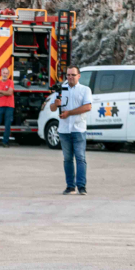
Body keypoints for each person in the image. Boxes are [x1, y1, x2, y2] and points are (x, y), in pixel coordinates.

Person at [49, 65, 93, 195]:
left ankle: (81, 186)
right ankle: (70, 186)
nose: (70, 77)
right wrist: (55, 104)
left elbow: (88, 107)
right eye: (68, 75)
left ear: (79, 76)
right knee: (67, 159)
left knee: (80, 158)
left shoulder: (85, 90)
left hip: (78, 128)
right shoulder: (61, 90)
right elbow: (52, 108)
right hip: (64, 130)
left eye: (73, 75)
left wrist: (69, 113)